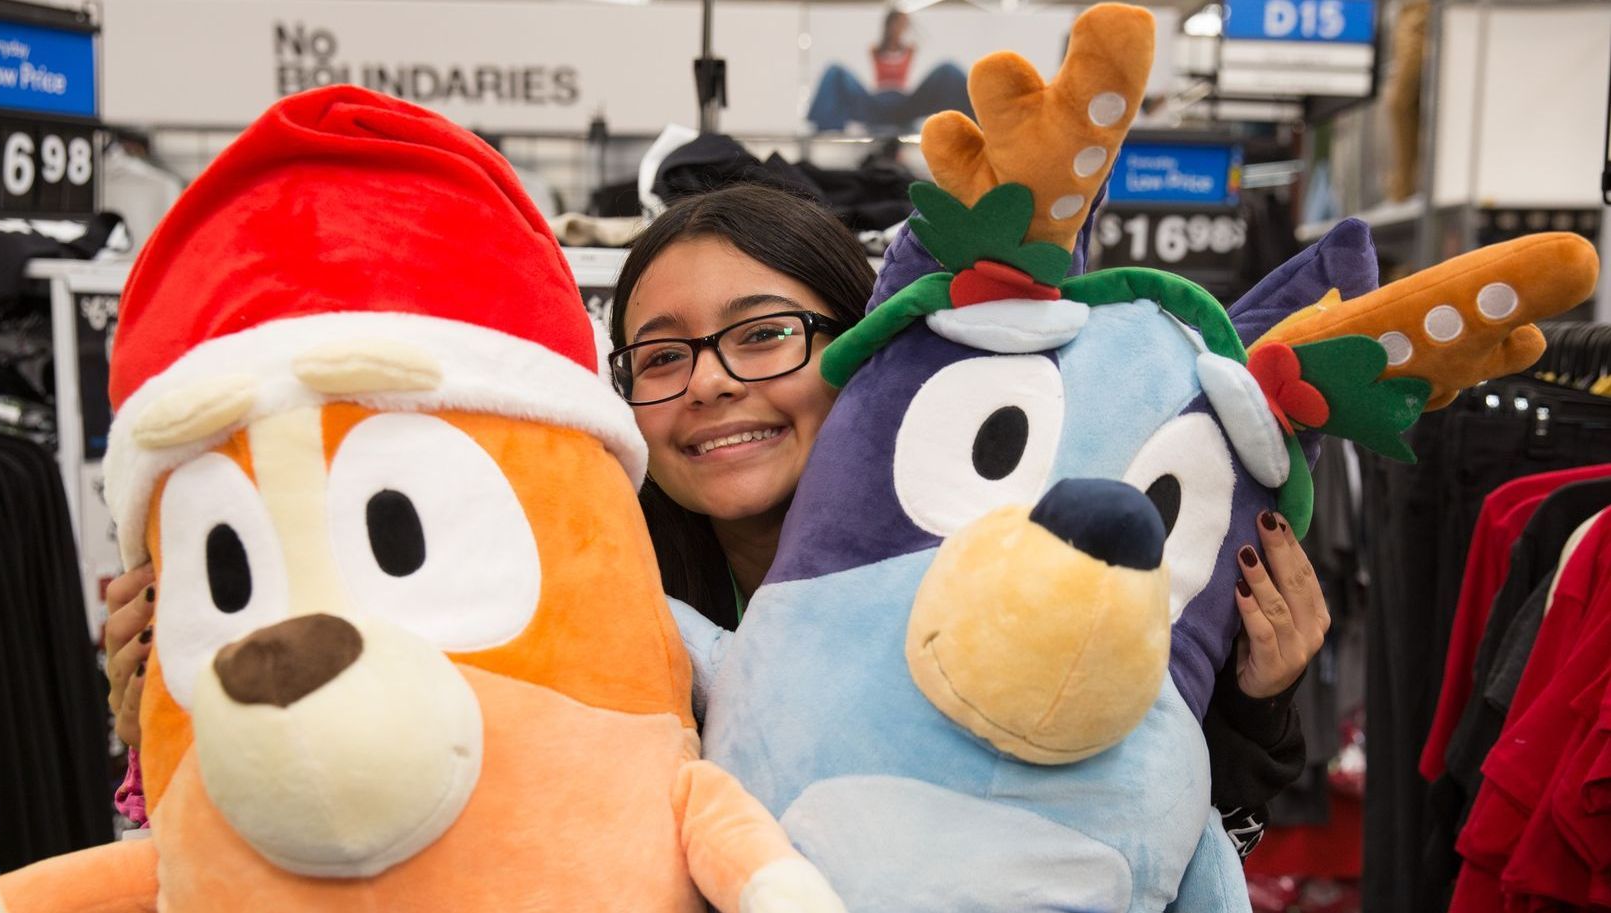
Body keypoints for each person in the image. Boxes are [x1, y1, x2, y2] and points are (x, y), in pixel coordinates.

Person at [103, 185, 1324, 851]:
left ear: (856, 352)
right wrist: (166, 728)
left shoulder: (1006, 569)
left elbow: (1172, 839)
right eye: (661, 355)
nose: (712, 385)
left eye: (763, 334)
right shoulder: (577, 595)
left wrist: (1253, 696)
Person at [805, 8, 972, 134]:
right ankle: (823, 131)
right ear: (890, 25)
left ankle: (974, 125)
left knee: (948, 70)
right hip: (877, 103)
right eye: (900, 24)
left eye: (905, 25)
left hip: (904, 104)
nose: (903, 28)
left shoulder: (910, 49)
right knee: (835, 71)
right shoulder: (874, 49)